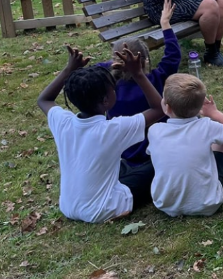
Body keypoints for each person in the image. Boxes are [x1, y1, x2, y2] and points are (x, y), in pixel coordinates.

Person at [37, 46, 164, 223]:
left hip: (68, 207)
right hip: (104, 210)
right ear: (106, 100)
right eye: (114, 88)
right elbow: (159, 108)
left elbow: (44, 99)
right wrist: (138, 74)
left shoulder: (63, 122)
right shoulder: (112, 129)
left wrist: (68, 69)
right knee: (160, 162)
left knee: (123, 167)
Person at [146, 74, 223, 217]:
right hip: (207, 204)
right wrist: (214, 113)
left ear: (167, 107)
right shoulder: (207, 126)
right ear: (199, 108)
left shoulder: (154, 131)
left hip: (165, 205)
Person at [96, 0, 180, 166]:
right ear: (145, 61)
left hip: (124, 154)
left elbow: (94, 68)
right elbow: (173, 56)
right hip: (159, 152)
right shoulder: (157, 79)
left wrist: (116, 63)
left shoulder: (109, 87)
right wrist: (165, 24)